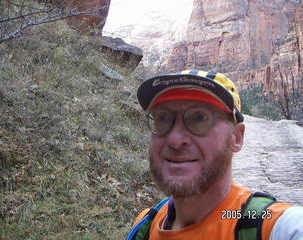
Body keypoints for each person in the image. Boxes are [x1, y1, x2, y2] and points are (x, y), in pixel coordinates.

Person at [127, 70, 303, 240]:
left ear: (237, 137)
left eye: (200, 118)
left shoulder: (271, 225)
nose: (175, 139)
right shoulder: (145, 225)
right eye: (162, 118)